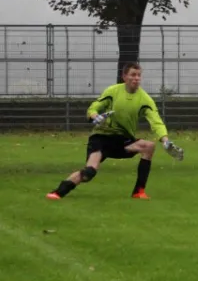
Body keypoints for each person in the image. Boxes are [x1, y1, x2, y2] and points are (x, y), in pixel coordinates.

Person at [45, 62, 184, 200]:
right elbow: (93, 108)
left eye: (139, 75)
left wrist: (165, 140)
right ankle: (58, 192)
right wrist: (95, 116)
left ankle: (139, 191)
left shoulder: (145, 99)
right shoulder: (113, 91)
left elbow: (156, 122)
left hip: (122, 140)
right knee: (89, 173)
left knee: (149, 147)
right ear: (124, 76)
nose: (136, 78)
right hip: (102, 138)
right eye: (133, 75)